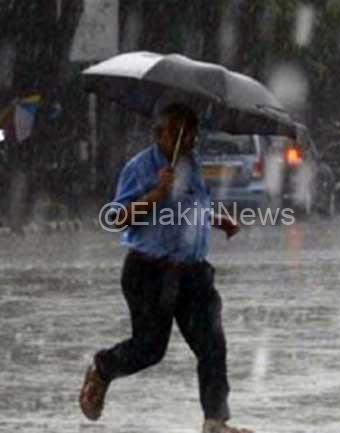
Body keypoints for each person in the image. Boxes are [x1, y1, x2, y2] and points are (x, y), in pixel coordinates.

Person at [79, 103, 253, 433]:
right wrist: (157, 193)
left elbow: (192, 207)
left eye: (192, 134)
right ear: (159, 134)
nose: (187, 140)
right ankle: (103, 368)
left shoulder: (192, 166)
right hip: (150, 273)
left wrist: (218, 220)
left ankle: (215, 422)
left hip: (193, 274)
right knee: (149, 348)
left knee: (212, 345)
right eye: (178, 133)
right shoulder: (139, 168)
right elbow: (117, 219)